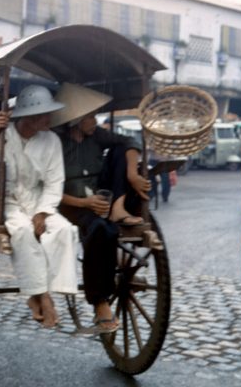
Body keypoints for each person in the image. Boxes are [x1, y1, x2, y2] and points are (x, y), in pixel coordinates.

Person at [50, 83, 151, 333]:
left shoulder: (97, 136)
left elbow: (130, 140)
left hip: (100, 201)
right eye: (89, 116)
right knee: (99, 231)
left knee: (119, 151)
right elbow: (48, 189)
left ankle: (118, 208)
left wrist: (131, 172)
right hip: (69, 206)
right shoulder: (55, 143)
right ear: (75, 119)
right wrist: (85, 203)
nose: (95, 120)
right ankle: (100, 302)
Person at [0, 85, 78, 328]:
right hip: (7, 201)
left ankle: (47, 289)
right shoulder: (1, 135)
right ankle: (41, 297)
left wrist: (43, 211)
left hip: (39, 201)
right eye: (43, 115)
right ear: (28, 117)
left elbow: (54, 181)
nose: (49, 119)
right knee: (23, 233)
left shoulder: (51, 140)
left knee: (65, 230)